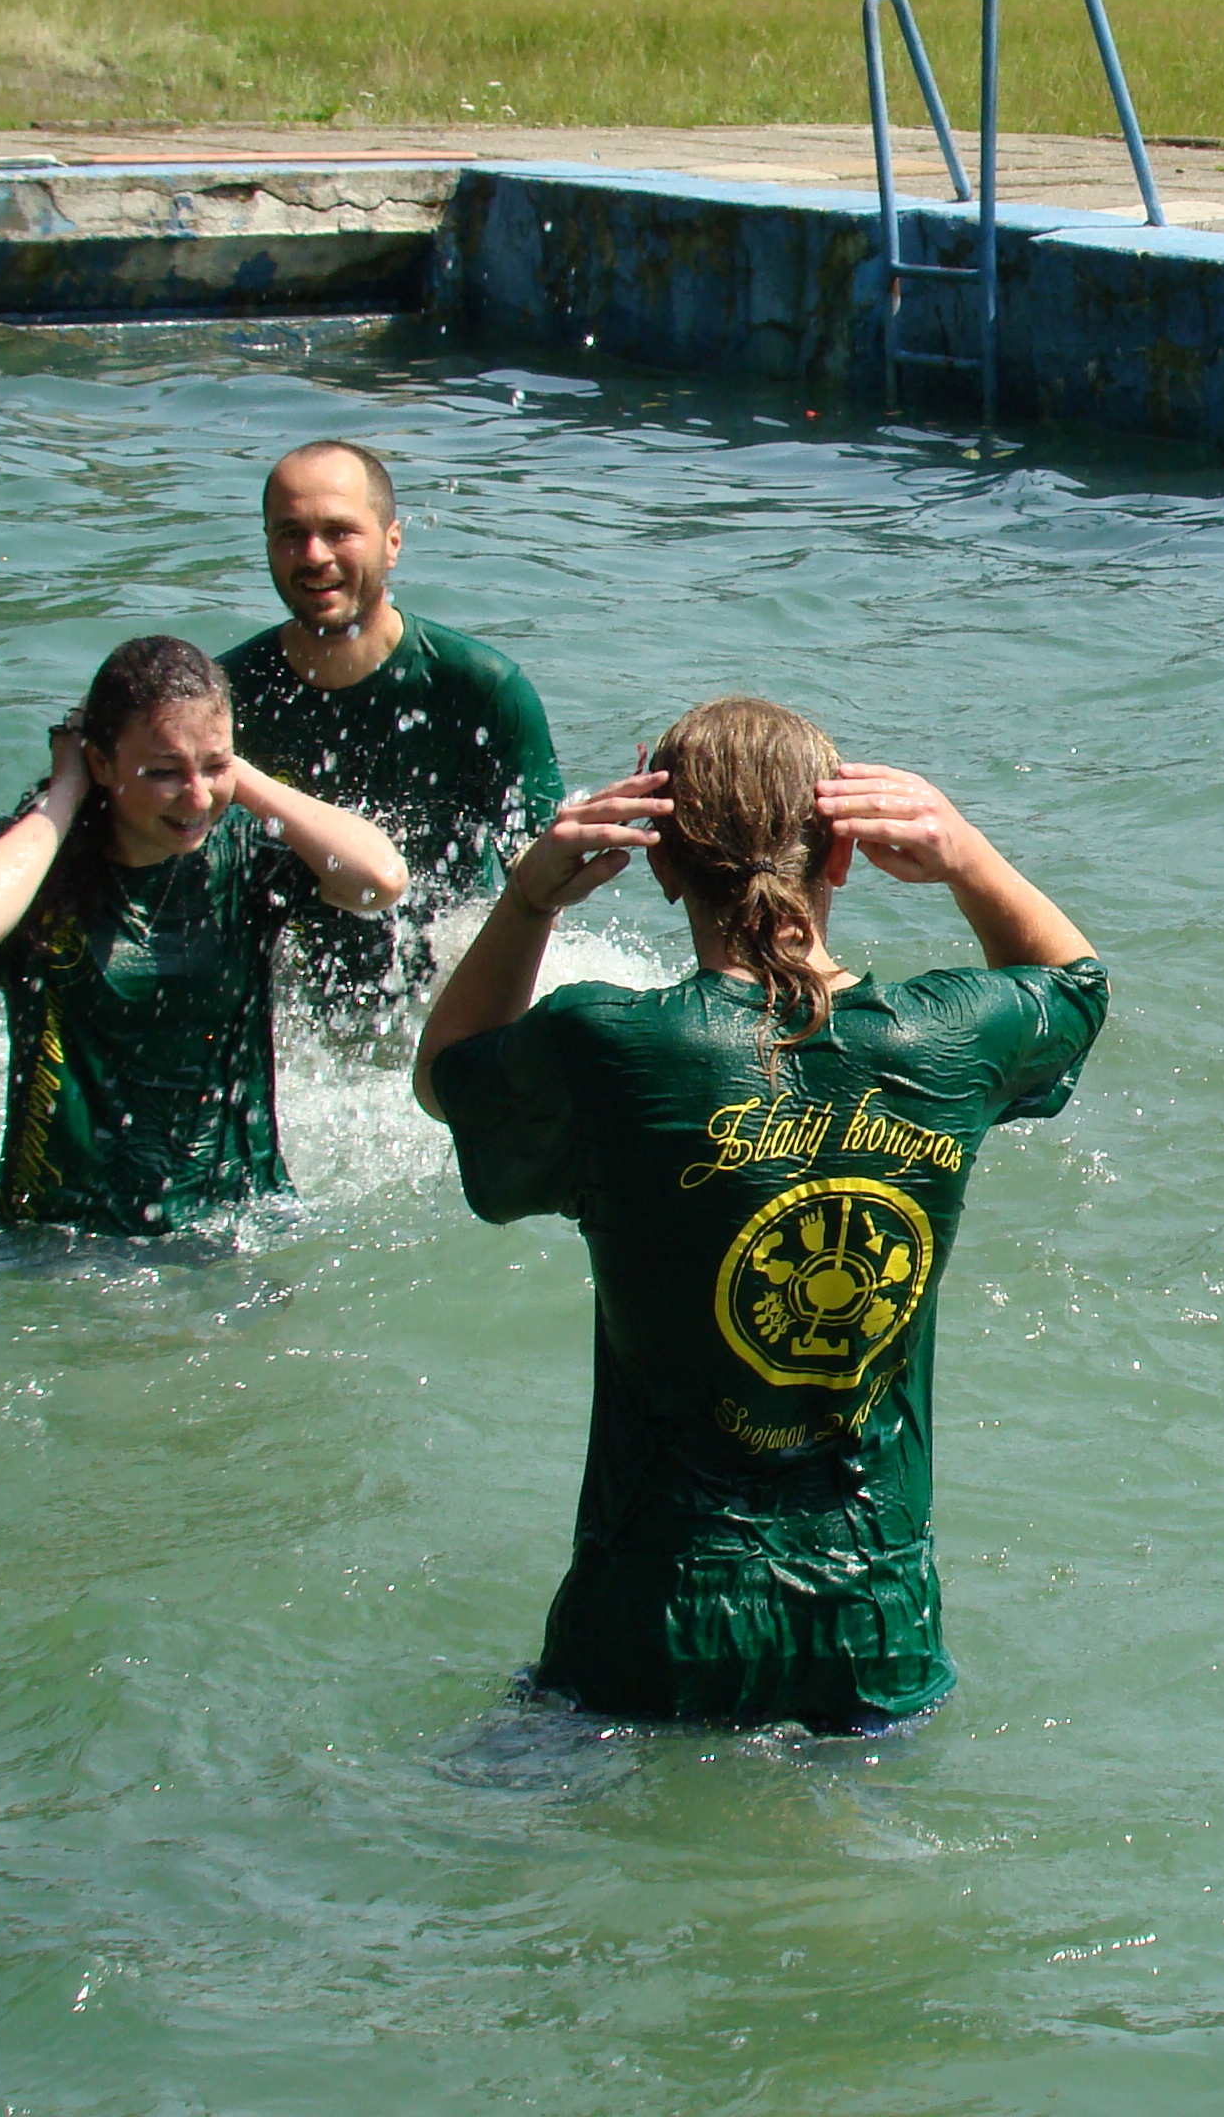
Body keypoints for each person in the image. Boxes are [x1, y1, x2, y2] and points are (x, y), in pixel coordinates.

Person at [411, 698, 1108, 1731]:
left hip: (650, 1621)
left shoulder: (607, 1047)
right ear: (845, 856)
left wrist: (527, 900)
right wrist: (963, 854)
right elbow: (1077, 988)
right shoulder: (947, 1039)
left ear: (660, 864)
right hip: (874, 1631)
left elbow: (446, 1078)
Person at [0, 636, 409, 1237]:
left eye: (214, 767)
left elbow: (380, 881)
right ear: (101, 764)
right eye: (164, 772)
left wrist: (235, 775)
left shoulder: (245, 854)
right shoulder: (30, 863)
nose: (196, 798)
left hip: (238, 1222)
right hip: (57, 1236)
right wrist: (65, 790)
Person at [221, 439, 562, 1009]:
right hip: (287, 1003)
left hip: (445, 998)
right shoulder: (224, 699)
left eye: (339, 531)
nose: (314, 555)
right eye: (290, 533)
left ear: (392, 542)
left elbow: (541, 884)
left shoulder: (481, 691)